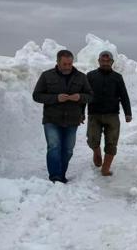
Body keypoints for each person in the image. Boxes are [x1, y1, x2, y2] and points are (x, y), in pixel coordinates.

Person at [32, 49, 93, 183]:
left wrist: (80, 97)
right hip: (51, 119)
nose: (67, 67)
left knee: (68, 150)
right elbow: (36, 95)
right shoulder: (46, 76)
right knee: (54, 146)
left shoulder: (81, 77)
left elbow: (90, 96)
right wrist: (56, 98)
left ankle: (61, 173)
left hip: (72, 120)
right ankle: (55, 177)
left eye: (70, 64)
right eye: (64, 64)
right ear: (58, 62)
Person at [86, 50, 132, 176]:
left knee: (112, 142)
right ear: (99, 61)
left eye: (108, 61)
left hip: (112, 115)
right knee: (92, 139)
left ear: (112, 62)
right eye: (103, 60)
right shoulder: (90, 76)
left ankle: (105, 168)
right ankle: (97, 152)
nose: (105, 63)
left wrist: (128, 112)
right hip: (94, 114)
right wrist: (80, 112)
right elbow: (84, 95)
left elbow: (124, 96)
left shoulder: (117, 77)